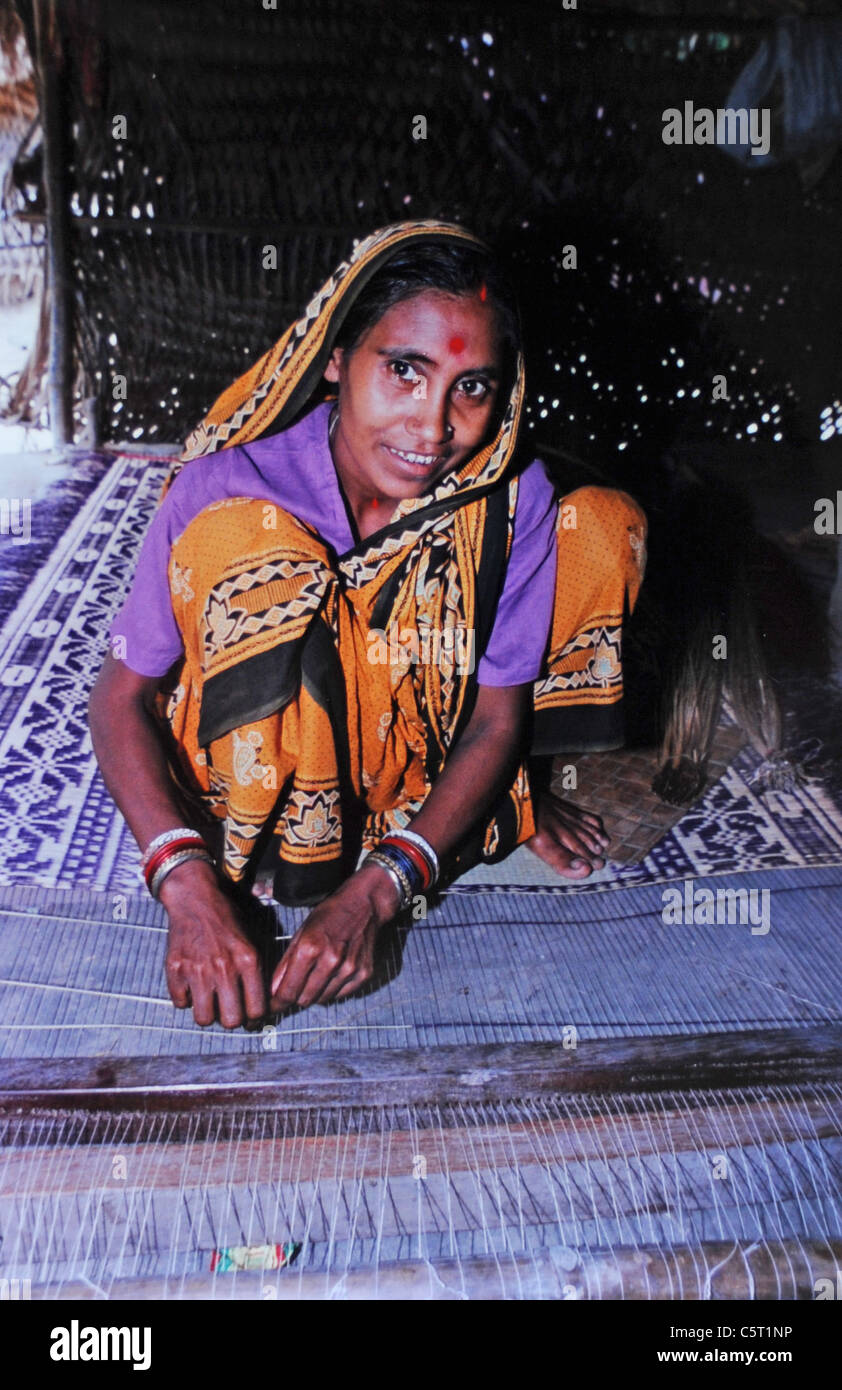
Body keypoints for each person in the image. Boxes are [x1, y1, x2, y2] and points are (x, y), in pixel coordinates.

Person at [88, 219, 646, 1028]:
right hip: (253, 788)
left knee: (597, 525)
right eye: (405, 372)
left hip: (412, 771)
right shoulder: (224, 488)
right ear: (336, 361)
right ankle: (304, 845)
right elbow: (118, 699)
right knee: (254, 544)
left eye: (473, 387)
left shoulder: (505, 502)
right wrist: (185, 883)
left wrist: (383, 889)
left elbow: (496, 719)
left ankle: (486, 804)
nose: (432, 428)